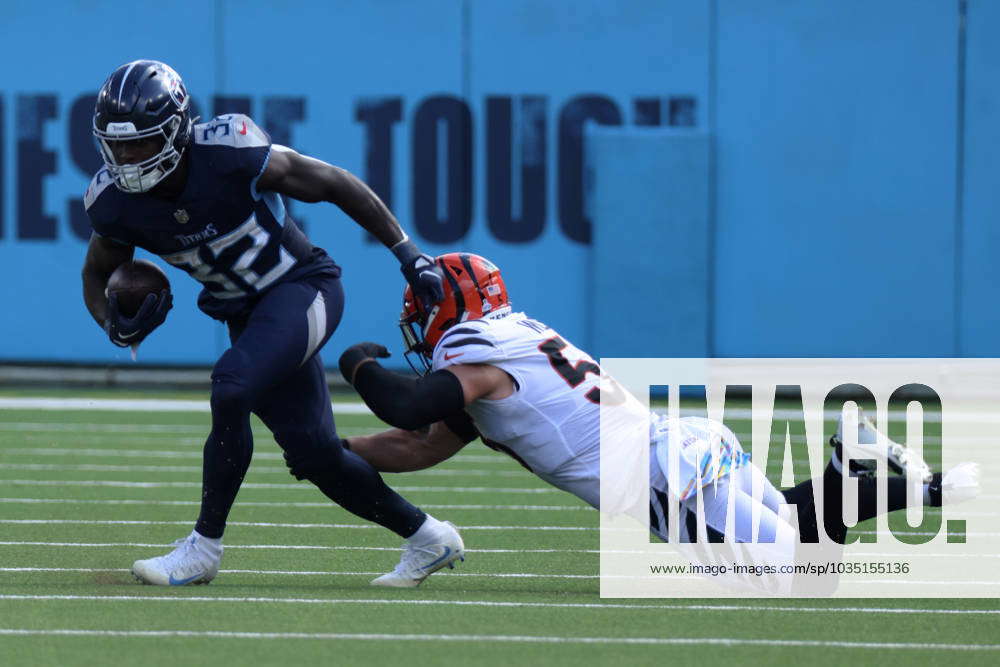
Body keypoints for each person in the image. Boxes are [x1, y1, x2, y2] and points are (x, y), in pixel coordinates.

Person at [336, 252, 980, 594]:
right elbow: (417, 445)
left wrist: (355, 362)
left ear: (451, 305)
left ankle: (851, 467)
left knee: (797, 579)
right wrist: (334, 450)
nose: (416, 322)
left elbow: (407, 406)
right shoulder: (512, 347)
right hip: (685, 447)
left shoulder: (476, 355)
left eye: (421, 308)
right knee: (791, 520)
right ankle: (921, 488)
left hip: (662, 478)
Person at [80, 60, 463, 588]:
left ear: (176, 131)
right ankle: (428, 538)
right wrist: (112, 324)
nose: (126, 158)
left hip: (303, 288)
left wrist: (408, 254)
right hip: (248, 316)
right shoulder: (115, 202)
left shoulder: (228, 151)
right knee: (315, 454)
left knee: (231, 385)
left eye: (140, 143)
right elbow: (97, 271)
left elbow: (334, 182)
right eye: (116, 145)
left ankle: (203, 549)